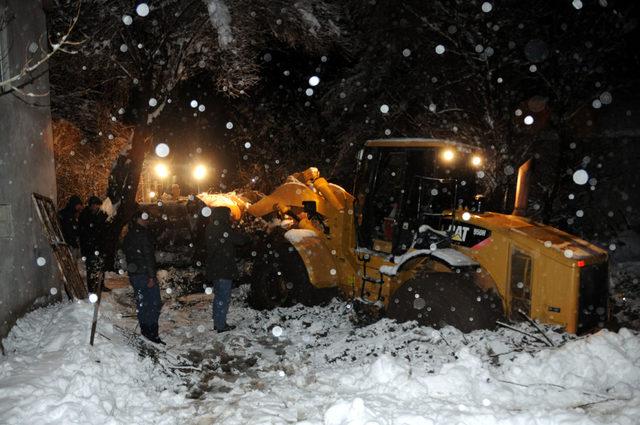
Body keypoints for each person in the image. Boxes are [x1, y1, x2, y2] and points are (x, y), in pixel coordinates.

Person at [123, 210, 164, 344]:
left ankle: (145, 330)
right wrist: (151, 276)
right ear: (137, 220)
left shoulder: (129, 234)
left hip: (135, 274)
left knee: (142, 303)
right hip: (144, 274)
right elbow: (148, 257)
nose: (146, 221)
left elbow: (129, 255)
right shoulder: (143, 235)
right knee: (153, 303)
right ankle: (152, 332)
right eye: (143, 218)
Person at [205, 206, 248, 333]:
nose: (230, 217)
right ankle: (221, 325)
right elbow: (240, 240)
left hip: (215, 267)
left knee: (218, 296)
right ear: (223, 215)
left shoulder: (211, 227)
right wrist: (242, 232)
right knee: (223, 297)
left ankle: (217, 322)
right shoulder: (223, 228)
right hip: (223, 267)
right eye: (229, 214)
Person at [78, 196, 109, 293]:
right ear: (91, 205)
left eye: (98, 205)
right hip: (89, 247)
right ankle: (92, 288)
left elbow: (104, 230)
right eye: (95, 205)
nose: (96, 207)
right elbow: (84, 232)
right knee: (91, 268)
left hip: (100, 245)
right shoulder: (85, 215)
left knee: (100, 267)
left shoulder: (101, 214)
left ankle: (100, 285)